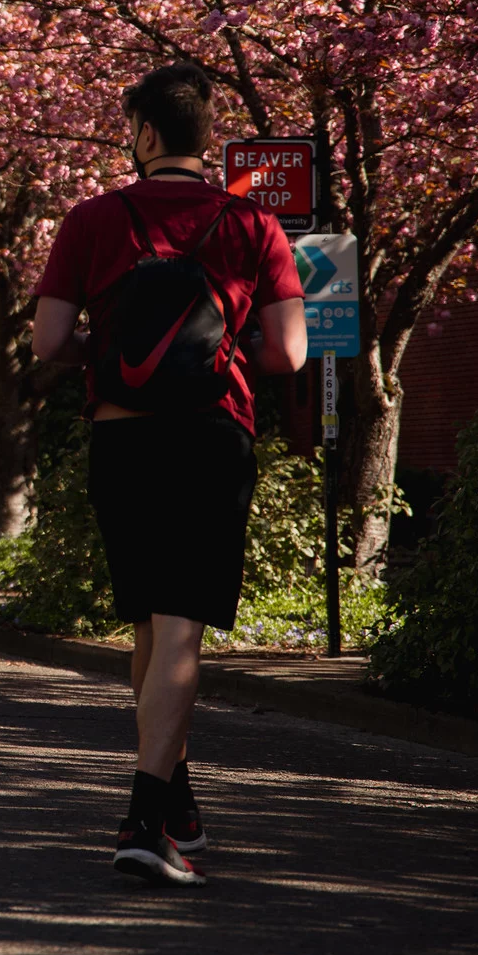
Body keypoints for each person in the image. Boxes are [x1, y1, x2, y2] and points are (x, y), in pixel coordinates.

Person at [31, 63, 308, 886]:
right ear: (203, 136)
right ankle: (147, 819)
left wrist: (110, 360)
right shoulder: (251, 224)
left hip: (121, 441)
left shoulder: (91, 219)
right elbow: (288, 352)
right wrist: (223, 358)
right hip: (207, 438)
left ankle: (176, 797)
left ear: (146, 134)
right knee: (182, 621)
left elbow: (47, 342)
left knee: (150, 624)